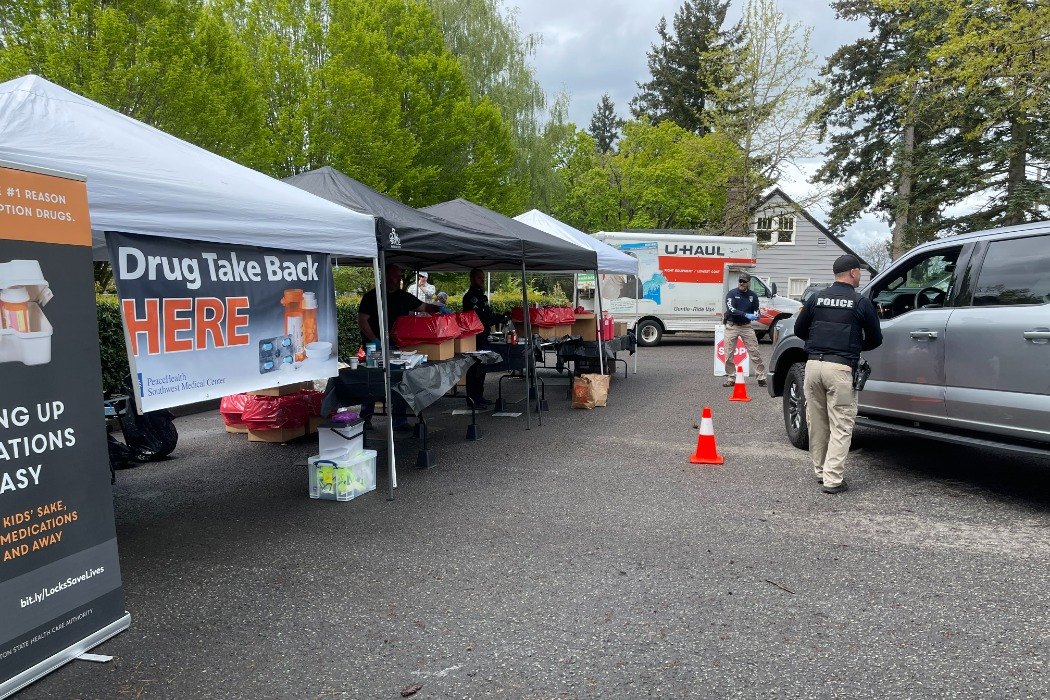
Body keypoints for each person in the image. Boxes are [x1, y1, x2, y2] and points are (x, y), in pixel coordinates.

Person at [793, 254, 883, 494]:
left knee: (817, 423)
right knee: (841, 425)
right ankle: (833, 480)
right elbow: (876, 338)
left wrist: (820, 343)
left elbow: (799, 329)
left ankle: (820, 472)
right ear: (852, 272)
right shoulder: (860, 301)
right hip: (840, 369)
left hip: (812, 366)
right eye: (859, 272)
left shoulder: (816, 298)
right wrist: (852, 347)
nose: (860, 276)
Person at [358, 263, 447, 431]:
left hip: (398, 344)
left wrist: (439, 308)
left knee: (400, 379)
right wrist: (375, 340)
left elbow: (424, 307)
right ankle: (365, 417)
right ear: (385, 277)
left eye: (399, 276)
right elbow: (363, 320)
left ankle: (398, 420)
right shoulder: (372, 296)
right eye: (395, 276)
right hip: (374, 346)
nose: (398, 279)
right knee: (373, 379)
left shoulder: (403, 296)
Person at [461, 268, 509, 406]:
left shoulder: (483, 297)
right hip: (474, 337)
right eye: (479, 278)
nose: (482, 280)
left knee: (482, 366)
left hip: (484, 336)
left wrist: (500, 316)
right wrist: (497, 320)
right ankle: (472, 398)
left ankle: (479, 396)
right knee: (474, 367)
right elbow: (481, 319)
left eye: (483, 278)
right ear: (472, 279)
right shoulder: (470, 298)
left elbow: (488, 314)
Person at [722, 272, 767, 388]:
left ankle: (761, 377)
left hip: (746, 327)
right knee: (728, 353)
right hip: (732, 326)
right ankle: (731, 377)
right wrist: (746, 314)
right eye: (740, 281)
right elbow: (731, 309)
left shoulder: (753, 296)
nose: (742, 283)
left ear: (749, 283)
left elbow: (756, 309)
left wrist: (757, 315)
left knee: (755, 352)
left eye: (744, 281)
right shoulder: (731, 294)